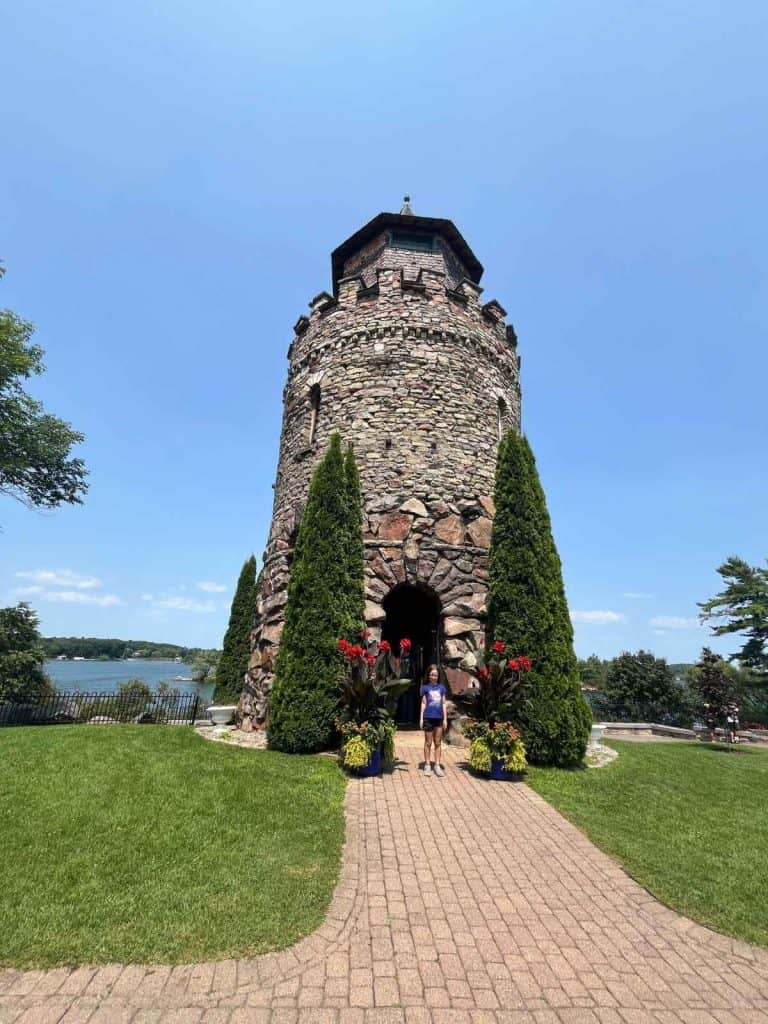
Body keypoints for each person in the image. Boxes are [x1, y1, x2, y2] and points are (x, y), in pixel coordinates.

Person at [419, 664, 447, 777]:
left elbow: (444, 703)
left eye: (435, 675)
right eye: (431, 674)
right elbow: (423, 703)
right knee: (428, 742)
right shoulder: (424, 688)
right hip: (428, 718)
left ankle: (437, 765)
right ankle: (427, 765)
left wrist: (445, 719)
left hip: (439, 718)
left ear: (438, 676)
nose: (433, 677)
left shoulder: (442, 688)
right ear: (428, 675)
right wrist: (421, 718)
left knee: (438, 742)